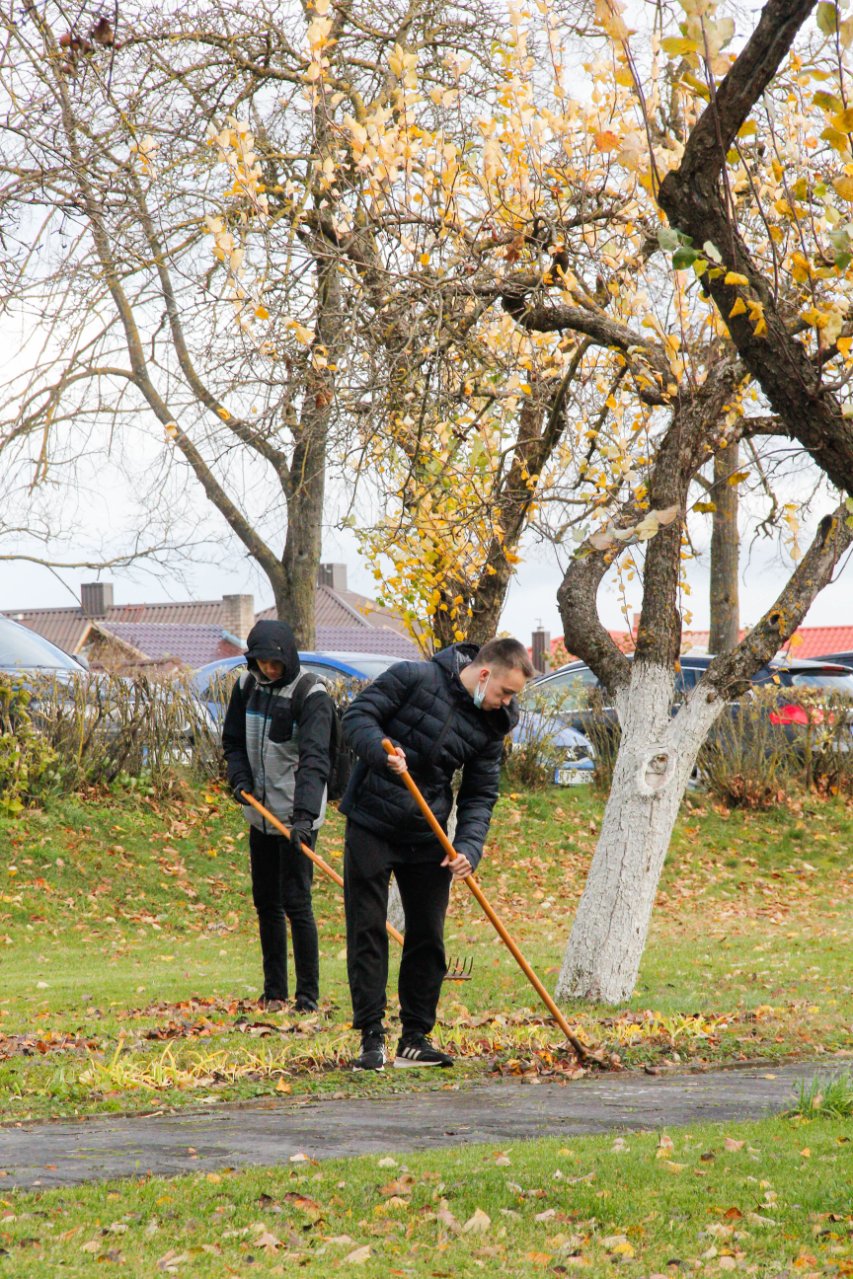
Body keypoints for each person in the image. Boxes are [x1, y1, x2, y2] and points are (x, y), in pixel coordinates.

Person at [339, 637, 533, 1070]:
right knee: (368, 928)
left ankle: (415, 1038)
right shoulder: (413, 677)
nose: (506, 703)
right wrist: (382, 751)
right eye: (505, 692)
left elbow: (480, 794)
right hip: (371, 820)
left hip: (428, 832)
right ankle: (371, 1037)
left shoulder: (491, 724)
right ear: (485, 674)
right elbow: (357, 717)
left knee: (428, 934)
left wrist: (468, 848)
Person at [223, 619, 334, 1013]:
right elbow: (233, 742)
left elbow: (316, 760)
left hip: (297, 816)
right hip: (260, 815)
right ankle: (274, 993)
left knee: (296, 903)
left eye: (275, 663)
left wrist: (303, 818)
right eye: (262, 662)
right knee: (266, 902)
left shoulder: (311, 694)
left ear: (288, 657)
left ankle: (307, 997)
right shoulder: (246, 686)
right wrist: (239, 777)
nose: (269, 670)